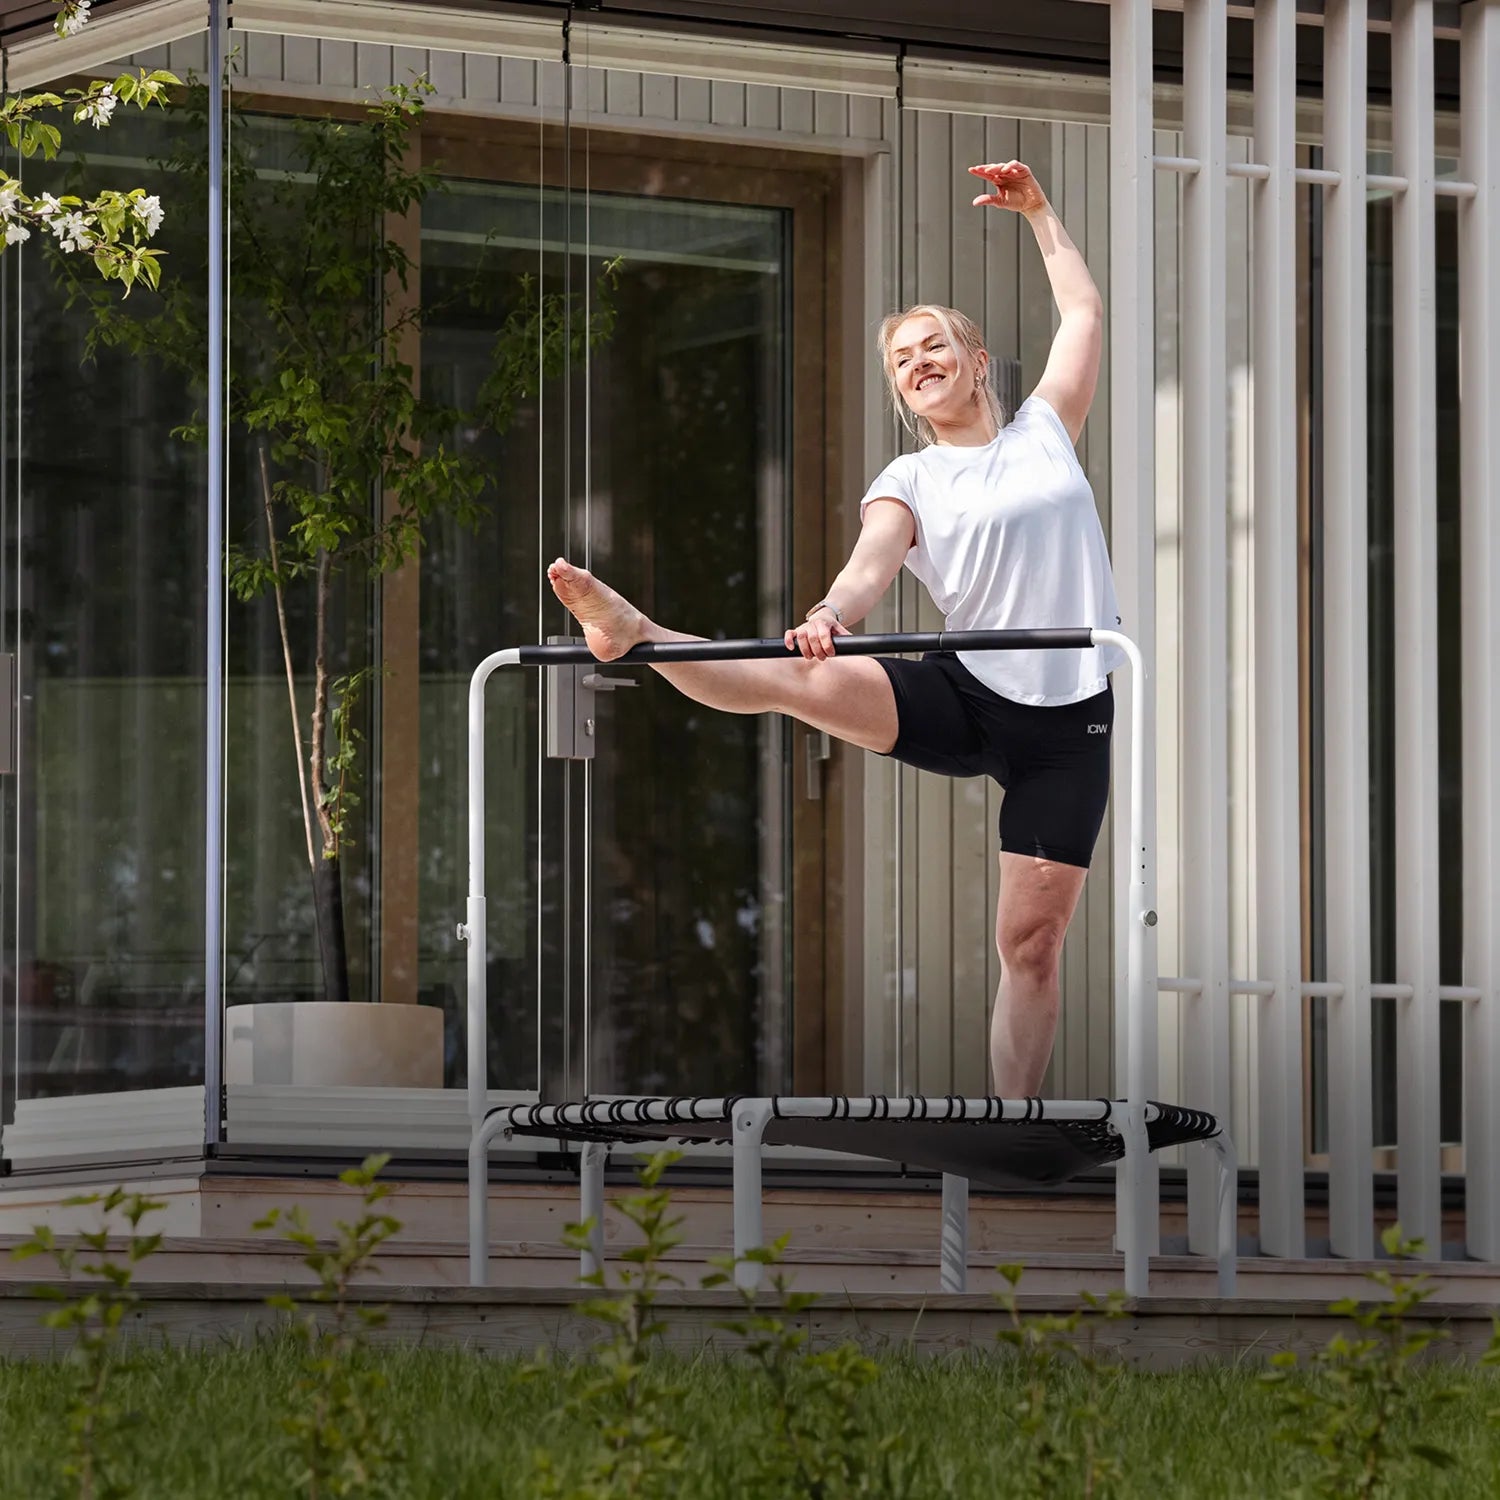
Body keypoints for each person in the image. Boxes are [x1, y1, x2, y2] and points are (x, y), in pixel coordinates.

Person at [547, 160, 1120, 1098]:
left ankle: (1018, 1120)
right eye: (904, 360)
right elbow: (870, 565)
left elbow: (1084, 315)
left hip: (1068, 717)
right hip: (967, 692)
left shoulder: (1045, 431)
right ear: (903, 391)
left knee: (1034, 943)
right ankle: (637, 633)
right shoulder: (911, 477)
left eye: (934, 347)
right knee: (791, 676)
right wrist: (825, 616)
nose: (920, 363)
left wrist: (1042, 216)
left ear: (977, 363)